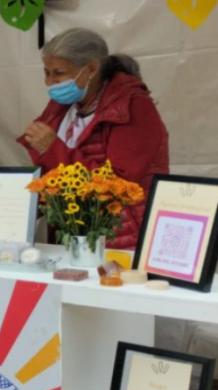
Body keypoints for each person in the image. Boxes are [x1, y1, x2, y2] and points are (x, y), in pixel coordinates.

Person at [18, 27, 169, 249]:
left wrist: (52, 148)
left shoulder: (134, 105)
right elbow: (50, 174)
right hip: (74, 231)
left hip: (124, 235)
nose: (49, 82)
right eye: (46, 72)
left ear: (91, 69)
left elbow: (119, 182)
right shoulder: (62, 105)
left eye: (58, 72)